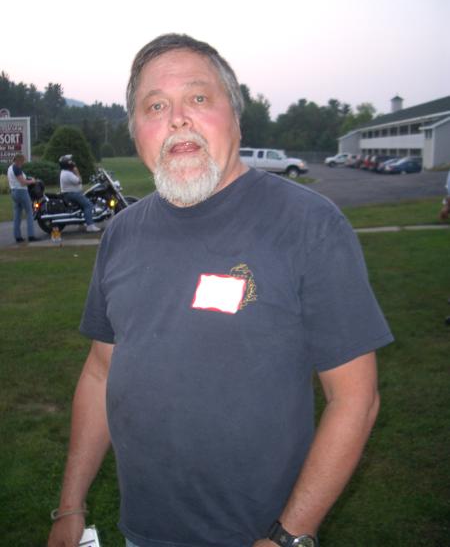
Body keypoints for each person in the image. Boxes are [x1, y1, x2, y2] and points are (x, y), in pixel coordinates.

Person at [48, 34, 393, 547]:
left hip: (258, 533)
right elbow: (100, 372)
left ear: (235, 115)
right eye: (155, 106)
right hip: (143, 532)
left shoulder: (309, 225)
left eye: (198, 97)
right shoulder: (121, 234)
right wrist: (70, 505)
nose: (177, 119)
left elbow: (355, 399)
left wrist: (289, 536)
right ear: (137, 132)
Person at [59, 155, 101, 232]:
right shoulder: (68, 174)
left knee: (82, 206)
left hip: (70, 193)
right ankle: (90, 226)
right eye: (70, 161)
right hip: (72, 194)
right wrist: (76, 171)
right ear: (67, 164)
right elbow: (79, 181)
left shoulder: (64, 172)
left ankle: (81, 224)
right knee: (88, 205)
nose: (72, 162)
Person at [7, 153, 38, 243]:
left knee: (17, 214)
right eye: (22, 161)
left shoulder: (10, 168)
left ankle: (18, 236)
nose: (23, 163)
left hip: (13, 191)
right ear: (19, 161)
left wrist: (28, 179)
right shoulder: (16, 168)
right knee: (29, 212)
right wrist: (32, 181)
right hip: (21, 191)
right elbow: (23, 182)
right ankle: (31, 235)